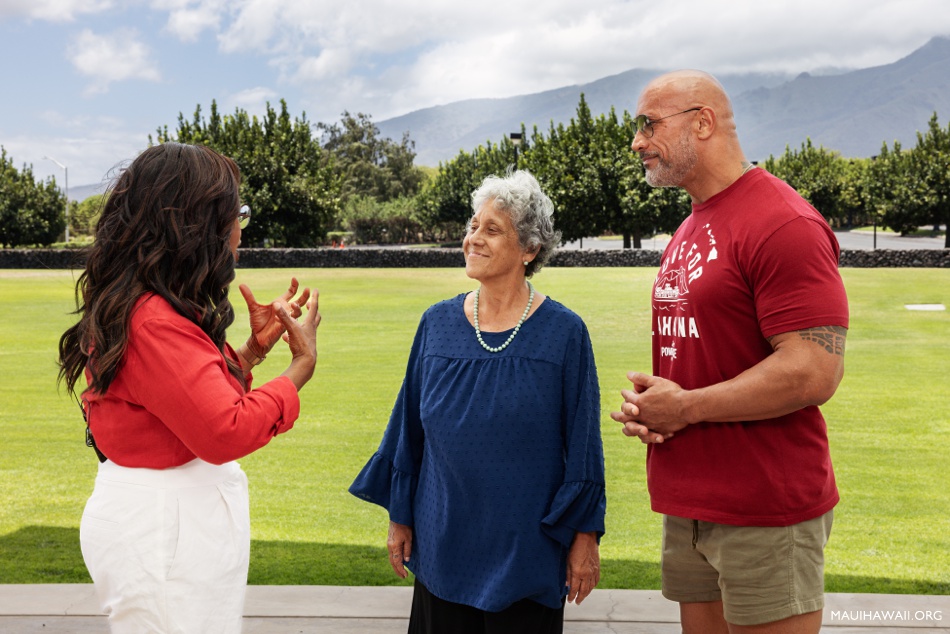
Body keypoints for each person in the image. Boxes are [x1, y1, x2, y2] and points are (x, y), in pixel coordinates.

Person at [611, 70, 849, 634]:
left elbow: (815, 370)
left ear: (703, 122)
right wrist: (658, 410)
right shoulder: (691, 225)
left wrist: (686, 407)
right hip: (691, 502)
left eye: (649, 124)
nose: (638, 141)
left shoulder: (781, 222)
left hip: (765, 508)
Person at [57, 142, 321, 633]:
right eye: (234, 211)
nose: (240, 227)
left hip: (165, 526)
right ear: (195, 225)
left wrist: (250, 354)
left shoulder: (145, 306)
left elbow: (176, 403)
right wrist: (300, 366)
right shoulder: (154, 319)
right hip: (164, 530)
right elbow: (225, 430)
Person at [349, 169, 606, 634]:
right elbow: (408, 429)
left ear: (529, 249)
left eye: (492, 230)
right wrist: (400, 518)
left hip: (527, 550)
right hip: (442, 542)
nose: (474, 239)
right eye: (473, 226)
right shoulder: (437, 323)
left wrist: (585, 536)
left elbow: (584, 443)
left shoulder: (565, 334)